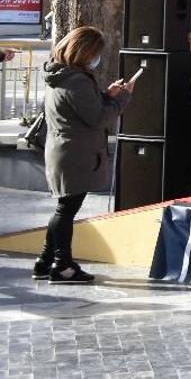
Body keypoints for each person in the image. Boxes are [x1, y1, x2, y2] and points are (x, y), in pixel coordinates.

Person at [36, 27, 135, 283]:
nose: (97, 58)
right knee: (66, 210)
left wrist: (106, 95)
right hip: (75, 154)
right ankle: (62, 264)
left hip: (66, 151)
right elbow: (98, 118)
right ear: (85, 52)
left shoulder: (61, 74)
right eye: (96, 53)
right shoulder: (76, 80)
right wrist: (122, 99)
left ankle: (46, 260)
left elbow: (80, 107)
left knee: (64, 207)